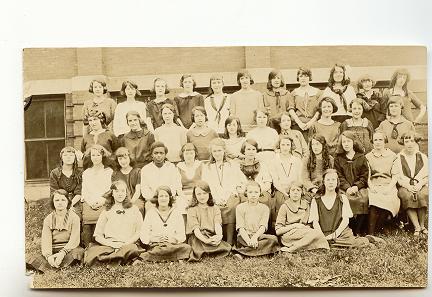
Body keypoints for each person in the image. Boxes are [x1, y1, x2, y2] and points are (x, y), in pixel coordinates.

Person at [84, 180, 143, 266]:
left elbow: (139, 231)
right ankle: (125, 259)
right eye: (117, 191)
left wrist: (126, 243)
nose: (120, 194)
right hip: (110, 245)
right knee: (93, 253)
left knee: (132, 249)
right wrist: (113, 245)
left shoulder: (134, 209)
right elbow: (97, 235)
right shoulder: (106, 211)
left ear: (126, 193)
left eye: (123, 191)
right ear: (112, 193)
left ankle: (113, 259)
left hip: (128, 243)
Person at [309, 169, 371, 248]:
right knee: (315, 243)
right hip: (322, 233)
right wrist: (322, 237)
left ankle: (365, 240)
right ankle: (329, 243)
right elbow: (315, 222)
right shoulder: (316, 200)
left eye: (333, 179)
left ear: (337, 182)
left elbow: (345, 220)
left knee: (351, 243)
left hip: (340, 233)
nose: (331, 182)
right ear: (324, 182)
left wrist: (334, 235)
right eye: (328, 180)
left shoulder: (343, 198)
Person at [201, 138, 247, 245]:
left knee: (231, 206)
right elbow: (207, 186)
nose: (217, 153)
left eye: (219, 151)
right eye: (215, 151)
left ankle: (230, 241)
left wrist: (229, 194)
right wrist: (216, 198)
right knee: (214, 207)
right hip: (214, 195)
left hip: (230, 194)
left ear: (224, 151)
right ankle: (218, 239)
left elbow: (241, 182)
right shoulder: (207, 167)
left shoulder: (232, 165)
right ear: (211, 152)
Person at [26, 190, 84, 273]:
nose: (60, 203)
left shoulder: (74, 217)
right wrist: (49, 256)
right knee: (30, 258)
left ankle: (52, 266)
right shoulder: (48, 219)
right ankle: (54, 263)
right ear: (53, 202)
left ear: (68, 202)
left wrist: (62, 253)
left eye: (63, 200)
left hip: (69, 250)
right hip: (53, 250)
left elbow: (75, 240)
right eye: (57, 200)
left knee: (78, 253)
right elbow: (46, 240)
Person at [138, 186, 192, 262]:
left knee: (187, 247)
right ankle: (174, 257)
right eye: (161, 196)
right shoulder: (151, 213)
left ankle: (152, 257)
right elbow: (144, 233)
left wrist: (173, 239)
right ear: (157, 198)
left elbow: (182, 235)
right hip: (156, 245)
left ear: (170, 198)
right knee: (157, 249)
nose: (163, 198)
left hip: (172, 245)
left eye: (166, 196)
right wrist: (153, 239)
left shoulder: (176, 212)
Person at [275, 182, 329, 252]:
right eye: (293, 190)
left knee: (317, 233)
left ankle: (302, 246)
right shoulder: (284, 206)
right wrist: (295, 226)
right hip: (289, 235)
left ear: (302, 192)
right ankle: (292, 249)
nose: (295, 192)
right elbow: (278, 231)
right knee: (317, 235)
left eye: (298, 190)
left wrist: (306, 228)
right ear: (289, 192)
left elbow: (309, 224)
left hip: (304, 232)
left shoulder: (306, 205)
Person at [334, 131, 369, 235]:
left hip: (359, 187)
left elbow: (364, 175)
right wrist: (347, 187)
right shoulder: (338, 158)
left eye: (348, 141)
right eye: (344, 142)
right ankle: (349, 227)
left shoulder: (361, 157)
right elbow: (338, 175)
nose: (346, 144)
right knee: (344, 200)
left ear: (353, 142)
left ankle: (358, 229)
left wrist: (356, 186)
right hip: (343, 187)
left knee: (363, 199)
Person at [186, 181, 232, 261]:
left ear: (209, 193)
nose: (202, 196)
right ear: (195, 196)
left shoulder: (215, 208)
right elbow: (195, 229)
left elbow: (217, 224)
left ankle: (212, 250)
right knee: (198, 249)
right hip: (198, 237)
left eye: (204, 193)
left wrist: (218, 236)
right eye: (199, 194)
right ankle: (205, 252)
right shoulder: (192, 209)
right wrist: (206, 241)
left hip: (210, 235)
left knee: (226, 247)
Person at [394, 132, 428, 236]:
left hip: (420, 184)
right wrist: (408, 186)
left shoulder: (422, 156)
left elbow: (427, 174)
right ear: (403, 143)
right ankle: (416, 226)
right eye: (407, 141)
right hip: (405, 185)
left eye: (412, 141)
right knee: (407, 196)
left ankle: (422, 226)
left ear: (416, 142)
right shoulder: (398, 157)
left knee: (422, 195)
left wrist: (420, 184)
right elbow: (398, 177)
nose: (409, 144)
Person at [365, 131, 400, 235]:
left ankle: (380, 227)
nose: (378, 142)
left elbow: (395, 175)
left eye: (380, 139)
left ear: (385, 141)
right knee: (374, 199)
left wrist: (389, 188)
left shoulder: (392, 156)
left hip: (388, 184)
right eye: (375, 140)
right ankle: (370, 232)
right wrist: (371, 186)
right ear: (372, 142)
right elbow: (367, 175)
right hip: (374, 184)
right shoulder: (368, 156)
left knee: (389, 198)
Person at [233, 181, 279, 258]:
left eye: (256, 192)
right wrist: (249, 241)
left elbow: (263, 226)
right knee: (241, 239)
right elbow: (241, 228)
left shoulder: (264, 208)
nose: (253, 195)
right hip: (244, 236)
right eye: (250, 192)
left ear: (260, 193)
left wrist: (254, 238)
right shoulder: (240, 207)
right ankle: (262, 252)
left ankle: (242, 253)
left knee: (273, 240)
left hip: (259, 236)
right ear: (246, 193)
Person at [81, 145, 114, 247]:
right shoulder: (86, 173)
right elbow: (85, 191)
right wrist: (90, 202)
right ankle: (88, 249)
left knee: (101, 219)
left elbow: (109, 190)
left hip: (103, 201)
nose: (95, 157)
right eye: (93, 155)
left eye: (98, 155)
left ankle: (101, 247)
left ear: (102, 156)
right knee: (87, 220)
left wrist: (102, 201)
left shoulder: (108, 171)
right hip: (89, 201)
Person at [140, 142, 185, 213]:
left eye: (161, 153)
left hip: (169, 199)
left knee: (177, 208)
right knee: (150, 209)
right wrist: (154, 198)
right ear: (151, 154)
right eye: (156, 153)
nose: (159, 155)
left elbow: (176, 184)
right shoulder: (145, 169)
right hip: (152, 200)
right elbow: (144, 188)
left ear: (165, 155)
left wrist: (167, 197)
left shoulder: (172, 167)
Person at [269, 135, 303, 226]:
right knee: (281, 200)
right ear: (279, 145)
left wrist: (294, 189)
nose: (285, 147)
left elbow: (299, 178)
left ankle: (297, 225)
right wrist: (285, 192)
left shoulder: (297, 160)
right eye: (283, 144)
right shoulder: (274, 160)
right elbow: (275, 180)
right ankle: (281, 226)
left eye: (288, 145)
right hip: (281, 189)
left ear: (291, 146)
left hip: (294, 187)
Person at [288, 67, 322, 140]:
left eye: (306, 76)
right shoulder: (294, 93)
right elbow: (291, 109)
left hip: (313, 124)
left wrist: (310, 123)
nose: (303, 78)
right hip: (298, 125)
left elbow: (320, 110)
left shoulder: (317, 92)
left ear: (309, 77)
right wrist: (299, 123)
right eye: (301, 76)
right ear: (298, 78)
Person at [238, 139, 273, 210]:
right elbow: (237, 185)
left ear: (256, 151)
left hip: (261, 192)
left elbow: (267, 183)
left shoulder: (262, 165)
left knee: (264, 200)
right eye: (248, 149)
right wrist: (248, 193)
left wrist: (257, 192)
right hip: (245, 193)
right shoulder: (238, 166)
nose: (251, 152)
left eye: (253, 149)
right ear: (244, 151)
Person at [49, 146, 82, 217]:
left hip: (75, 202)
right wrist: (64, 205)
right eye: (65, 155)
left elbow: (79, 193)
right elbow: (54, 192)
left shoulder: (79, 173)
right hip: (59, 201)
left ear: (75, 158)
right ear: (61, 157)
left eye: (71, 155)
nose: (68, 157)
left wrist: (70, 205)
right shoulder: (55, 173)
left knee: (76, 217)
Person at [301, 135, 334, 201]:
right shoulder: (307, 159)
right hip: (312, 190)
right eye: (313, 144)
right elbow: (305, 178)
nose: (315, 147)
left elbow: (332, 176)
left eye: (317, 144)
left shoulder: (330, 159)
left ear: (323, 145)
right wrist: (313, 188)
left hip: (326, 188)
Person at [111, 147, 143, 215]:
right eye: (120, 159)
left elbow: (138, 191)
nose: (123, 161)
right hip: (120, 199)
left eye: (125, 158)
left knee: (138, 208)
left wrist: (131, 202)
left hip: (135, 199)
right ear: (117, 160)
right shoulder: (115, 174)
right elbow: (114, 191)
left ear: (130, 158)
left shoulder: (137, 172)